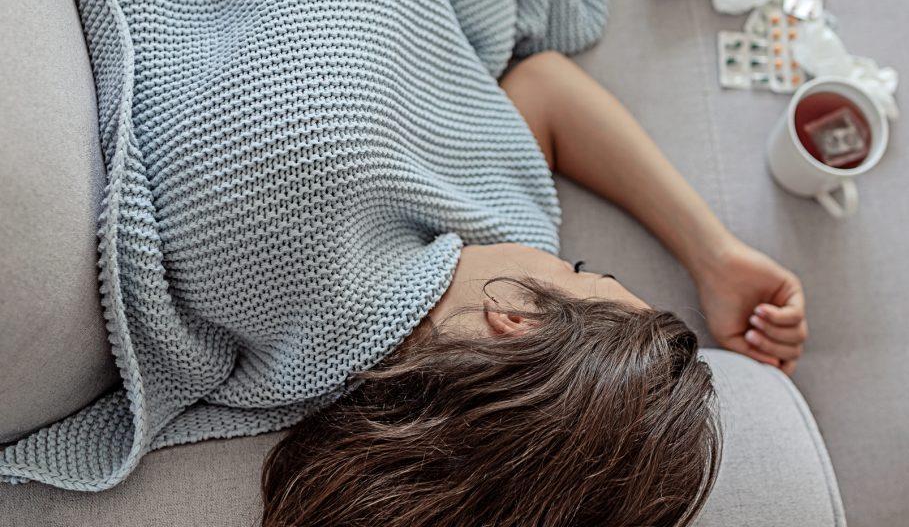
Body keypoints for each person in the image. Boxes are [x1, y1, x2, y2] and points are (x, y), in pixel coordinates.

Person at [260, 51, 808, 527]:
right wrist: (715, 257)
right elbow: (543, 88)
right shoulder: (494, 252)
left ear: (516, 320)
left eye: (577, 269)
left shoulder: (295, 197)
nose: (554, 257)